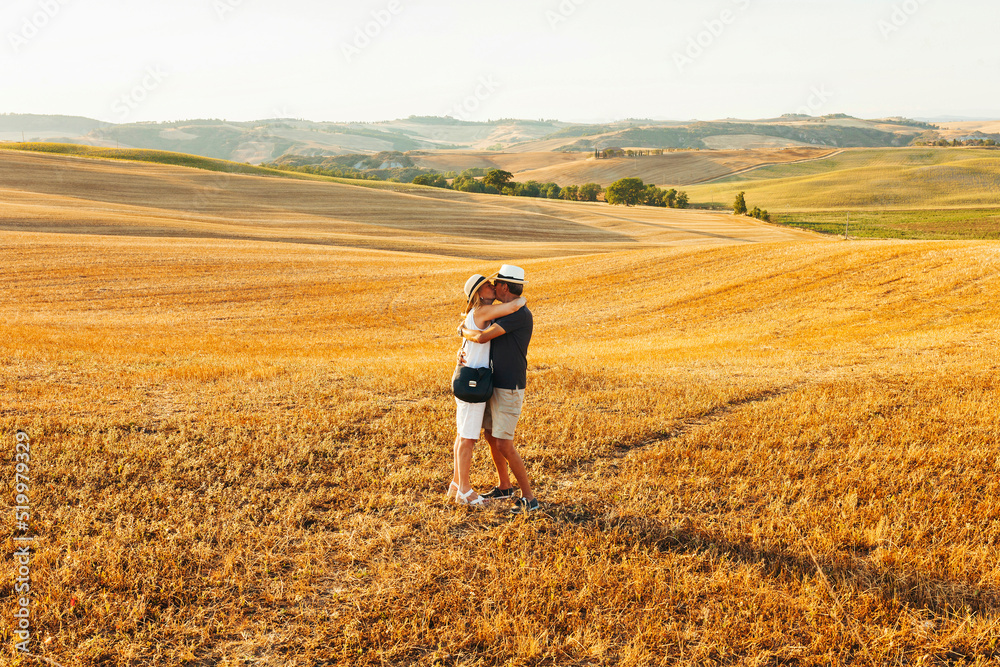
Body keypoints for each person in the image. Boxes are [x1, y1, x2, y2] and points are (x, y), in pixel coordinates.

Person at [460, 264, 538, 514]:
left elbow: (483, 337)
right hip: (495, 382)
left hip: (509, 386)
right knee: (491, 437)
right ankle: (505, 486)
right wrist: (463, 350)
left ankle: (529, 498)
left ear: (505, 286)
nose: (494, 287)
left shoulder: (518, 314)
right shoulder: (501, 311)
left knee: (504, 443)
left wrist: (462, 331)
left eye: (497, 284)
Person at [448, 274, 526, 506]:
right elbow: (514, 305)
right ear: (479, 294)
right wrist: (521, 299)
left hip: (470, 378)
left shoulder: (476, 315)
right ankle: (464, 491)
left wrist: (462, 330)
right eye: (487, 285)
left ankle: (455, 484)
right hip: (474, 381)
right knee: (468, 439)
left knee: (463, 434)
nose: (493, 287)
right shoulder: (481, 312)